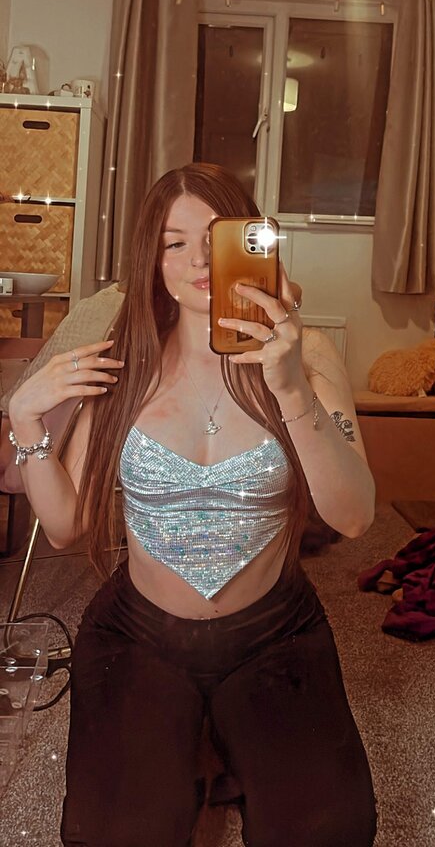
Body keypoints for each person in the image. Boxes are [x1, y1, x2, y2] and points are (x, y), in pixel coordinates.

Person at [7, 163, 377, 847]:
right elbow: (63, 529)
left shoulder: (307, 355)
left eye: (216, 238)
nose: (200, 262)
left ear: (254, 241)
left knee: (329, 830)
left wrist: (291, 389)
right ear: (151, 261)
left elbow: (354, 516)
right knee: (117, 834)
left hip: (277, 633)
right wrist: (26, 422)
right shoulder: (123, 365)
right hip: (137, 637)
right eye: (174, 244)